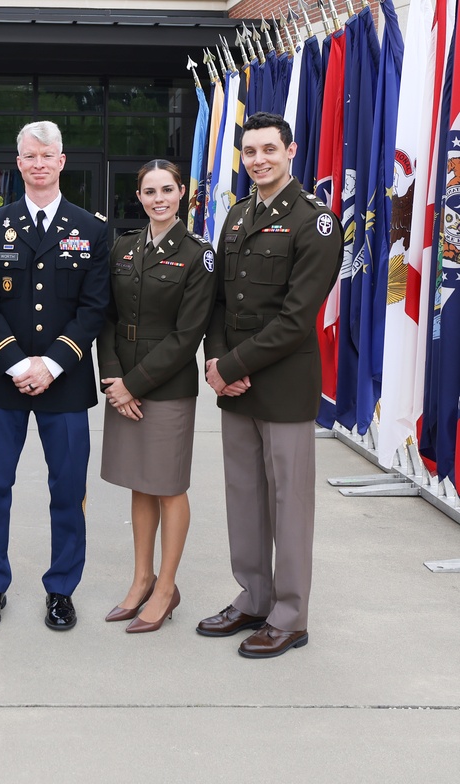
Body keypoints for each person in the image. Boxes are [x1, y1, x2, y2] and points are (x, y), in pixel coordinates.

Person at [200, 111, 341, 658]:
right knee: (244, 496)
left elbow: (296, 316)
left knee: (289, 504)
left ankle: (290, 614)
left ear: (291, 150)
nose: (258, 160)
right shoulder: (236, 217)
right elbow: (217, 302)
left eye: (268, 150)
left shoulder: (314, 222)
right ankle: (253, 596)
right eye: (249, 151)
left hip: (281, 387)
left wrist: (229, 366)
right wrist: (216, 362)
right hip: (235, 387)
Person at [0, 121, 109, 631]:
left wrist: (50, 364)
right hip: (1, 380)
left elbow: (94, 308)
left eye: (47, 155)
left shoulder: (90, 229)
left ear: (62, 161)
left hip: (65, 381)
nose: (38, 164)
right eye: (29, 156)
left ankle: (62, 589)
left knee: (68, 488)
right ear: (19, 162)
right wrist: (14, 362)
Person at [97, 160, 216, 633]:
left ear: (181, 193)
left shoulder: (197, 254)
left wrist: (134, 384)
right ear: (140, 196)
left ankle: (166, 586)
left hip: (165, 388)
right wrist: (112, 379)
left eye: (167, 189)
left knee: (168, 486)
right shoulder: (123, 248)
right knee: (138, 481)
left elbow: (188, 335)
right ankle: (141, 578)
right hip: (122, 381)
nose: (158, 198)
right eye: (149, 191)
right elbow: (105, 318)